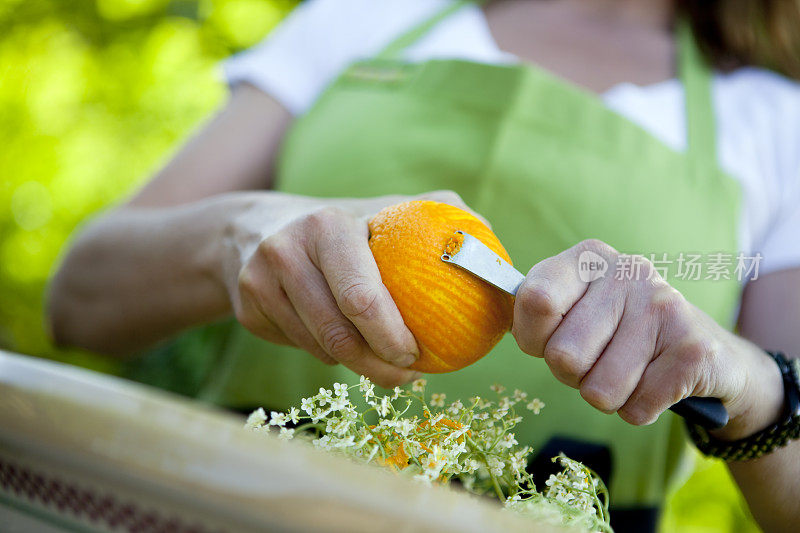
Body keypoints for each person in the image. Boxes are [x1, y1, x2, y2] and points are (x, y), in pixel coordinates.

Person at [47, 1, 800, 531]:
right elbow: (77, 302)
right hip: (224, 510)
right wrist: (234, 233)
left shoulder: (776, 123)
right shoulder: (366, 14)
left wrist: (754, 383)